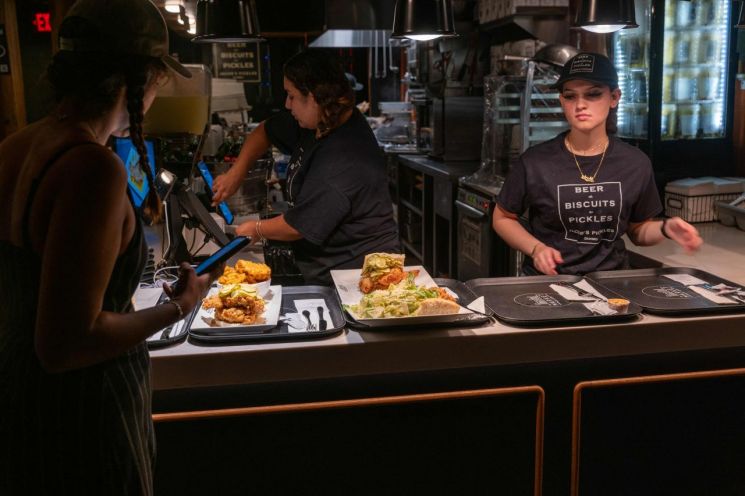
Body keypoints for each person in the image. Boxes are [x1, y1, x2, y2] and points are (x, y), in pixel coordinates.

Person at [0, 1, 214, 494]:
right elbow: (66, 343)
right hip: (79, 415)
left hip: (18, 399)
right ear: (142, 80)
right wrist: (178, 307)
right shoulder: (91, 168)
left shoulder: (18, 145)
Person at [493, 52, 702, 276]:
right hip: (548, 285)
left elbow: (638, 230)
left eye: (593, 94)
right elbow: (502, 217)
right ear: (562, 101)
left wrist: (665, 228)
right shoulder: (535, 161)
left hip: (611, 285)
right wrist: (536, 249)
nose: (580, 105)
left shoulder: (634, 163)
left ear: (614, 97)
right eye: (571, 96)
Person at [212, 49, 400, 285]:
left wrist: (255, 228)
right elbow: (265, 130)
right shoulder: (320, 121)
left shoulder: (344, 158)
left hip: (358, 277)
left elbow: (297, 226)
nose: (287, 104)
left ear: (313, 97)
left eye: (291, 95)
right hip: (326, 265)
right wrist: (236, 173)